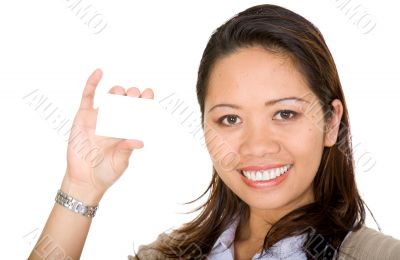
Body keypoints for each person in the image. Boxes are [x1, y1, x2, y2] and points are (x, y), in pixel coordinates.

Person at [29, 4, 400, 260]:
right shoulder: (169, 254)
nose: (257, 146)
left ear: (331, 123)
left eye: (285, 113)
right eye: (230, 119)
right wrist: (82, 186)